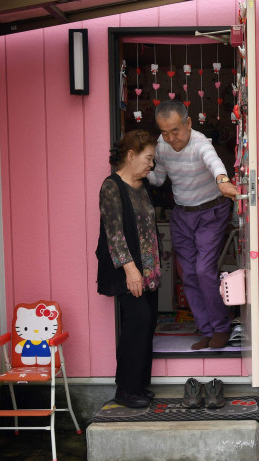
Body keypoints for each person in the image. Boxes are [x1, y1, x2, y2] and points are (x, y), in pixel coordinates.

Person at [148, 100, 238, 350]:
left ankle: (221, 327)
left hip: (211, 212)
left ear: (188, 123)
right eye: (164, 132)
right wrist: (141, 168)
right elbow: (159, 178)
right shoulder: (161, 146)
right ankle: (206, 329)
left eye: (175, 130)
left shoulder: (200, 143)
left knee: (203, 271)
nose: (170, 138)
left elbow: (214, 163)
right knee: (187, 274)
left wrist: (222, 180)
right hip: (182, 215)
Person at [96, 130, 161, 408]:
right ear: (131, 155)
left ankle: (138, 386)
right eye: (148, 158)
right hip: (130, 272)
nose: (151, 165)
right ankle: (125, 389)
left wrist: (151, 271)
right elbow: (115, 234)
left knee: (147, 325)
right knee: (137, 323)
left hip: (149, 272)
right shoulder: (112, 186)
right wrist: (131, 271)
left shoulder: (142, 186)